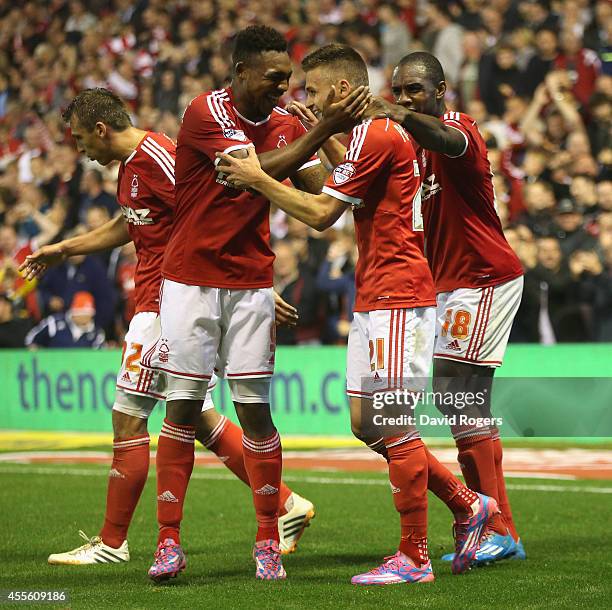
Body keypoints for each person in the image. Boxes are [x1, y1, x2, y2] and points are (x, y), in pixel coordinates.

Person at [218, 43, 498, 586]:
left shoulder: (378, 133)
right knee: (366, 423)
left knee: (392, 423)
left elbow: (323, 213)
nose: (308, 98)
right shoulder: (374, 137)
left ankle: (414, 556)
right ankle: (468, 503)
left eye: (315, 91)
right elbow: (348, 188)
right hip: (376, 293)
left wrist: (258, 180)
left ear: (343, 90)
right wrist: (323, 141)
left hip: (398, 293)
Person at [20, 87, 315, 572]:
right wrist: (64, 248)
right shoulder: (134, 166)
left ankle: (114, 541)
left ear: (101, 129)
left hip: (169, 301)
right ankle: (285, 503)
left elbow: (216, 211)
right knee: (195, 416)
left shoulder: (160, 156)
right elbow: (132, 225)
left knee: (130, 415)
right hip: (166, 299)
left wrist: (251, 286)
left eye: (79, 139)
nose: (79, 150)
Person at [140, 26, 370, 582]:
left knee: (255, 410)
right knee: (183, 408)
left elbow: (320, 194)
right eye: (274, 79)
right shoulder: (204, 114)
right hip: (190, 281)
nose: (283, 88)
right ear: (240, 73)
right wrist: (322, 133)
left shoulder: (292, 124)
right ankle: (167, 543)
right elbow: (253, 170)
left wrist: (342, 139)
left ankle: (268, 537)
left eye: (289, 80)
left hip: (250, 285)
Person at [368, 51, 526, 563]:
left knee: (458, 394)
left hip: (482, 277)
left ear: (440, 89)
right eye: (399, 90)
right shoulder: (410, 148)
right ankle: (498, 527)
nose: (406, 97)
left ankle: (496, 526)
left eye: (415, 89)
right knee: (463, 402)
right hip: (451, 285)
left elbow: (447, 138)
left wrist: (400, 115)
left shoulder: (458, 128)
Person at [25, 290, 105, 349]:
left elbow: (98, 359)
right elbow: (30, 339)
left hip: (82, 370)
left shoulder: (96, 334)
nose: (84, 318)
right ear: (73, 313)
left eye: (87, 314)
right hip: (51, 367)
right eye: (80, 313)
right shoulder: (54, 323)